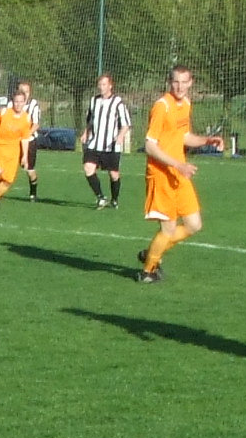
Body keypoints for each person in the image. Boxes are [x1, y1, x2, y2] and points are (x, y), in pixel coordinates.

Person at [136, 66, 226, 282]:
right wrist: (178, 164)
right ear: (170, 82)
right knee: (168, 228)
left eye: (184, 82)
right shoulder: (162, 107)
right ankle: (147, 272)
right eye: (176, 82)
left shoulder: (185, 104)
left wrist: (206, 140)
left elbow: (184, 136)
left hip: (179, 172)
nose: (180, 86)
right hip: (161, 174)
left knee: (194, 225)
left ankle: (153, 252)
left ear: (191, 83)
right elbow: (150, 146)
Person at [0, 85, 35, 205]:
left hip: (13, 150)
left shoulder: (26, 119)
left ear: (24, 102)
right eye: (16, 102)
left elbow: (25, 139)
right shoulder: (4, 113)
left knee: (8, 180)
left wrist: (24, 156)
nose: (18, 104)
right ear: (12, 102)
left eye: (21, 102)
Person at [82, 74, 131, 208]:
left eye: (104, 84)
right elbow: (90, 120)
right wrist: (86, 132)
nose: (101, 87)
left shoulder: (118, 102)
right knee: (88, 168)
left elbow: (126, 123)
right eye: (100, 84)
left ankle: (114, 199)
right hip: (94, 143)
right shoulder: (94, 101)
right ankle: (101, 197)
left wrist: (120, 135)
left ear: (110, 86)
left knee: (114, 174)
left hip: (111, 145)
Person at [17, 80, 45, 200]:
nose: (24, 94)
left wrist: (26, 135)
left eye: (26, 92)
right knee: (5, 166)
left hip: (29, 141)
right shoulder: (11, 104)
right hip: (13, 141)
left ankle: (33, 193)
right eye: (21, 91)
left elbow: (36, 124)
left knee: (29, 169)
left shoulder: (33, 105)